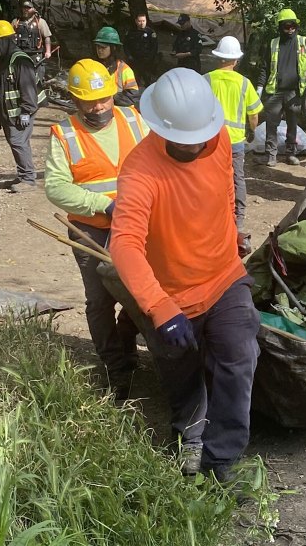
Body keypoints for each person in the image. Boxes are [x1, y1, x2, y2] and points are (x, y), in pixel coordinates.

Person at [110, 68, 260, 481]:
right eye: (185, 140)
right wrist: (160, 307)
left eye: (201, 137)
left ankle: (222, 460)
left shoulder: (220, 138)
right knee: (182, 373)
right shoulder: (140, 171)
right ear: (161, 128)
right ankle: (189, 435)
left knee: (240, 353)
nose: (196, 145)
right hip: (173, 294)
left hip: (224, 276)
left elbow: (224, 190)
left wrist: (231, 232)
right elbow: (124, 244)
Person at [46, 59, 148, 400]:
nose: (99, 106)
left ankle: (128, 350)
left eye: (104, 98)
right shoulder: (65, 133)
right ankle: (115, 368)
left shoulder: (134, 120)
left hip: (137, 225)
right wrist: (103, 205)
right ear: (75, 99)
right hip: (91, 230)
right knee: (100, 300)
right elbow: (56, 188)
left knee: (139, 293)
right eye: (89, 101)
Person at [204, 36, 262, 256]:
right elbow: (254, 114)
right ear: (236, 60)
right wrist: (252, 131)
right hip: (235, 141)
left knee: (209, 177)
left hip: (211, 140)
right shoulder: (244, 83)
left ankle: (210, 216)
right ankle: (238, 220)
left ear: (218, 58)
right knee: (237, 178)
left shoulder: (206, 80)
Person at [256, 8, 306, 166]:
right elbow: (265, 68)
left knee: (292, 123)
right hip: (275, 92)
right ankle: (271, 155)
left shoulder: (304, 42)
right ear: (280, 27)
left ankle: (291, 154)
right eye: (287, 26)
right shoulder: (272, 44)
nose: (290, 29)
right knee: (271, 124)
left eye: (293, 26)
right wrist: (260, 87)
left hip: (295, 92)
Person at [0, 20, 43, 191]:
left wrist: (26, 112)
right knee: (15, 142)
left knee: (18, 142)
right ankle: (22, 175)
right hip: (8, 114)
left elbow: (28, 90)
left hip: (21, 113)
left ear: (4, 41)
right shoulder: (1, 59)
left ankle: (28, 179)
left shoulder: (20, 61)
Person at [92, 26, 140, 107]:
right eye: (98, 47)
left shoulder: (124, 69)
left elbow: (132, 97)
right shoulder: (93, 67)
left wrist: (109, 98)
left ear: (113, 48)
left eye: (103, 47)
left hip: (117, 111)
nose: (99, 50)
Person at [125, 13, 161, 87]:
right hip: (134, 60)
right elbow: (126, 45)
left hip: (146, 61)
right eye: (140, 21)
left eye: (143, 21)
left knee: (147, 81)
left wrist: (150, 58)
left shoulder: (150, 32)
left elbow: (154, 47)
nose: (142, 23)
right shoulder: (131, 32)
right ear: (136, 21)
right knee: (133, 80)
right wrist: (129, 56)